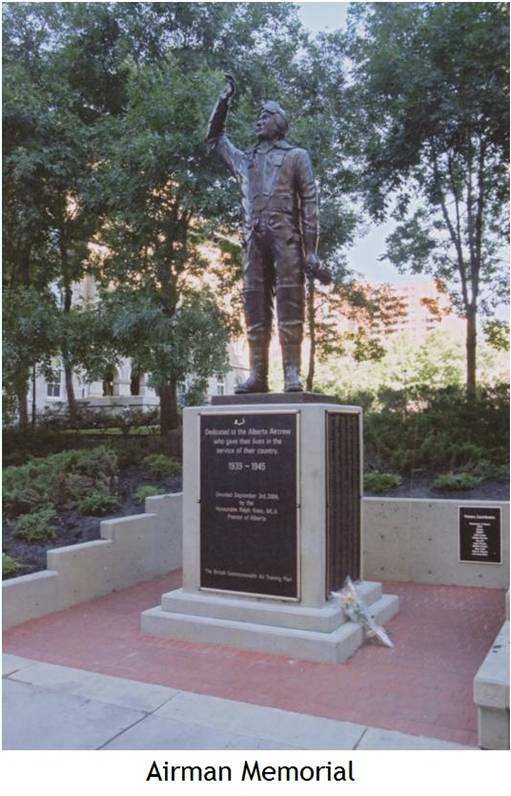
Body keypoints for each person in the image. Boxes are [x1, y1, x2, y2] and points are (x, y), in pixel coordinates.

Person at [206, 75, 329, 393]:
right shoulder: (245, 160)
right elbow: (214, 138)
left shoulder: (296, 156)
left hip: (286, 239)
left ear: (279, 123)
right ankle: (258, 374)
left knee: (291, 305)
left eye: (265, 117)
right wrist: (223, 102)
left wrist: (311, 250)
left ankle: (291, 372)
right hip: (253, 241)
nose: (258, 121)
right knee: (254, 307)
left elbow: (311, 203)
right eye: (258, 117)